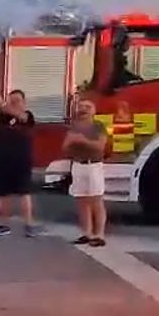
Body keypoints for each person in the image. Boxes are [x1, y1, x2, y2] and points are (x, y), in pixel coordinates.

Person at [0, 90, 37, 237]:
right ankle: (3, 225)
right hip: (3, 160)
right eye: (11, 100)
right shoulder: (3, 117)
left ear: (24, 102)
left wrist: (3, 105)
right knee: (3, 194)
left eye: (17, 100)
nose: (14, 103)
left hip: (21, 160)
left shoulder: (28, 116)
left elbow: (19, 115)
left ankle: (29, 225)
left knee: (24, 193)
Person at [63, 98, 109, 246]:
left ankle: (99, 234)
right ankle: (86, 233)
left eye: (87, 107)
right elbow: (65, 148)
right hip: (78, 165)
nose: (83, 109)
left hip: (93, 166)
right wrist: (71, 143)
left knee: (96, 200)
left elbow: (100, 147)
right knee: (81, 200)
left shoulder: (98, 126)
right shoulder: (74, 127)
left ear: (94, 111)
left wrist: (82, 141)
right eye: (81, 106)